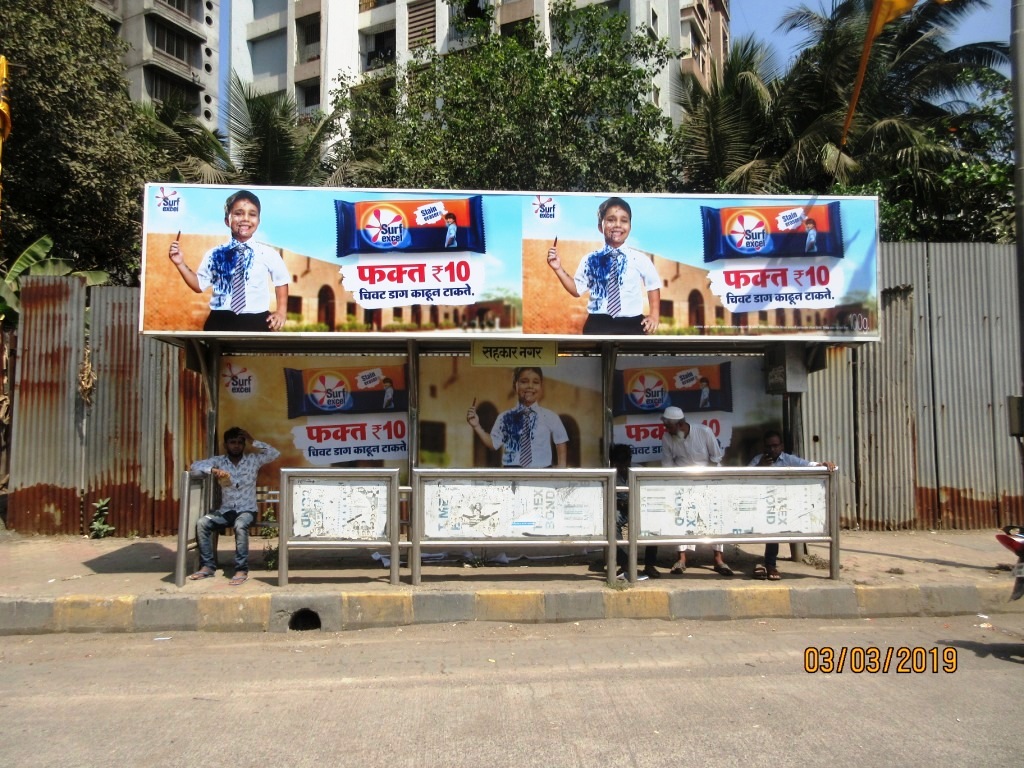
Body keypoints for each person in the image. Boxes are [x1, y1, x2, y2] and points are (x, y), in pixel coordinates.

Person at [168, 190, 289, 332]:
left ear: (258, 221)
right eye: (238, 213)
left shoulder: (268, 253)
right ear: (227, 220)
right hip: (220, 319)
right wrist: (180, 263)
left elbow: (281, 281)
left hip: (256, 320)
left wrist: (281, 311)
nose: (245, 219)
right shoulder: (214, 254)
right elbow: (199, 285)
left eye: (252, 214)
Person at [546, 196, 661, 335]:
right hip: (598, 324)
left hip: (632, 324)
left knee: (631, 357)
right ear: (601, 227)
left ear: (630, 226)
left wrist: (654, 315)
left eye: (624, 220)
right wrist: (558, 268)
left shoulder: (639, 259)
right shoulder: (590, 259)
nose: (618, 225)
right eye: (611, 220)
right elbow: (577, 290)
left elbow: (653, 284)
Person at [188, 427, 280, 585]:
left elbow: (274, 453)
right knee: (202, 523)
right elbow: (194, 465)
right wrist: (213, 470)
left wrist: (252, 440)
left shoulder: (253, 460)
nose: (236, 446)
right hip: (226, 511)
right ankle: (208, 566)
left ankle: (241, 569)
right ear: (226, 445)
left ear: (244, 445)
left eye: (239, 442)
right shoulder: (220, 461)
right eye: (232, 442)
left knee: (240, 525)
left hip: (247, 511)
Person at [748, 429, 836, 580]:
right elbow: (744, 478)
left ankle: (770, 564)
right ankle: (766, 564)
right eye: (769, 446)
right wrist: (760, 467)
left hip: (782, 504)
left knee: (774, 530)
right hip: (760, 503)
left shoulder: (788, 459)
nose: (772, 449)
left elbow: (808, 465)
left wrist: (823, 465)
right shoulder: (759, 459)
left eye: (775, 446)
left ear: (781, 446)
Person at [660, 405, 733, 576]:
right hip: (682, 482)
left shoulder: (704, 432)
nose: (666, 429)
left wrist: (709, 482)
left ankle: (718, 559)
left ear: (679, 425)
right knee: (681, 518)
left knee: (715, 518)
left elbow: (716, 458)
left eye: (668, 425)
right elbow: (668, 465)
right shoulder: (667, 437)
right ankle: (682, 559)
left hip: (709, 481)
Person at [466, 367, 569, 468]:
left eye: (535, 382)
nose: (530, 386)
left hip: (541, 475)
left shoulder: (550, 417)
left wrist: (561, 468)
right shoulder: (505, 417)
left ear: (541, 386)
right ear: (515, 385)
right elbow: (493, 444)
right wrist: (477, 426)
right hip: (512, 474)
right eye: (524, 382)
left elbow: (560, 441)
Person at [606, 443, 660, 579]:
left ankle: (649, 565)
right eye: (619, 464)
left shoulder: (639, 471)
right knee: (614, 522)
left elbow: (649, 494)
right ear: (613, 462)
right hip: (620, 510)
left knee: (654, 525)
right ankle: (625, 565)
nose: (622, 468)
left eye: (625, 464)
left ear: (630, 460)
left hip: (639, 509)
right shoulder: (609, 474)